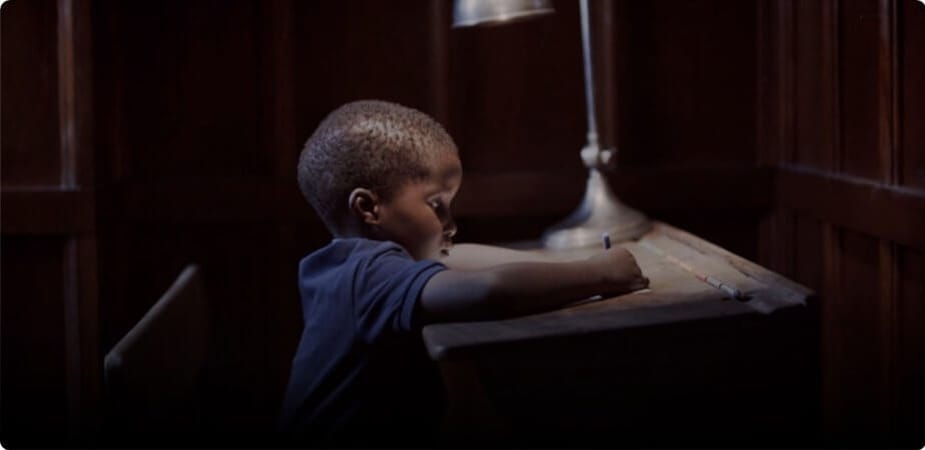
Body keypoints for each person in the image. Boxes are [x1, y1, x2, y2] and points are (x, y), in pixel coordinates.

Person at [278, 99, 649, 445]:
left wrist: (562, 264)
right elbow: (491, 290)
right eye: (436, 205)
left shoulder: (346, 267)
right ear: (368, 208)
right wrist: (598, 273)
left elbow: (456, 257)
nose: (449, 225)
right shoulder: (369, 274)